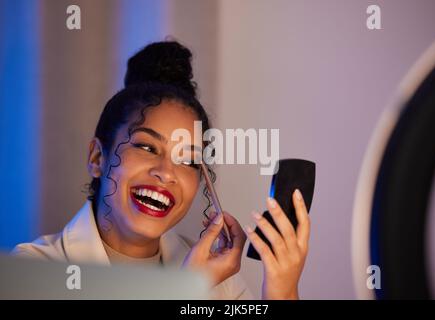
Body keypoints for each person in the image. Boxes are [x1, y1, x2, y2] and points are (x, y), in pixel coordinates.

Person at [12, 41, 310, 300]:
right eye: (146, 147)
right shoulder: (31, 272)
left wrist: (282, 291)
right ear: (97, 158)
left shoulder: (220, 281)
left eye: (188, 160)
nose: (167, 173)